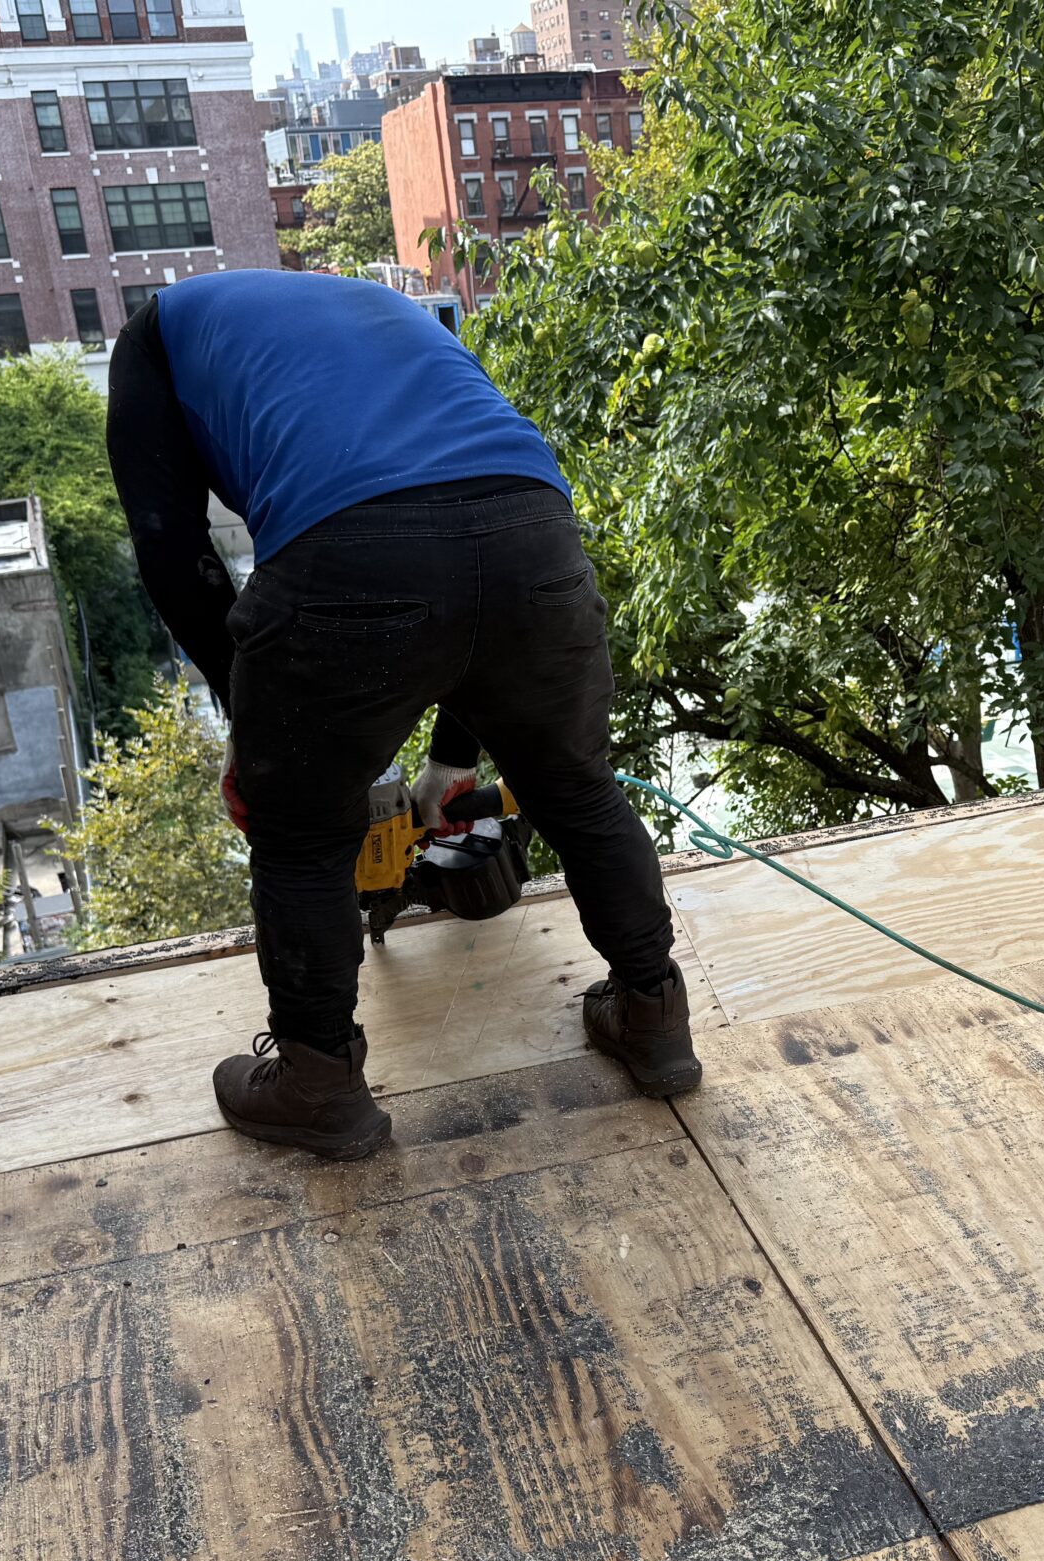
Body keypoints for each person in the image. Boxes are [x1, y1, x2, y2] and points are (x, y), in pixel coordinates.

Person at [106, 269, 700, 1160]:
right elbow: (461, 534)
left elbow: (171, 546)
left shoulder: (154, 337)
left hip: (343, 558)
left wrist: (252, 715)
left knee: (303, 840)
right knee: (578, 790)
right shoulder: (385, 310)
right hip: (535, 535)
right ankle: (655, 1019)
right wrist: (455, 755)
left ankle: (319, 1084)